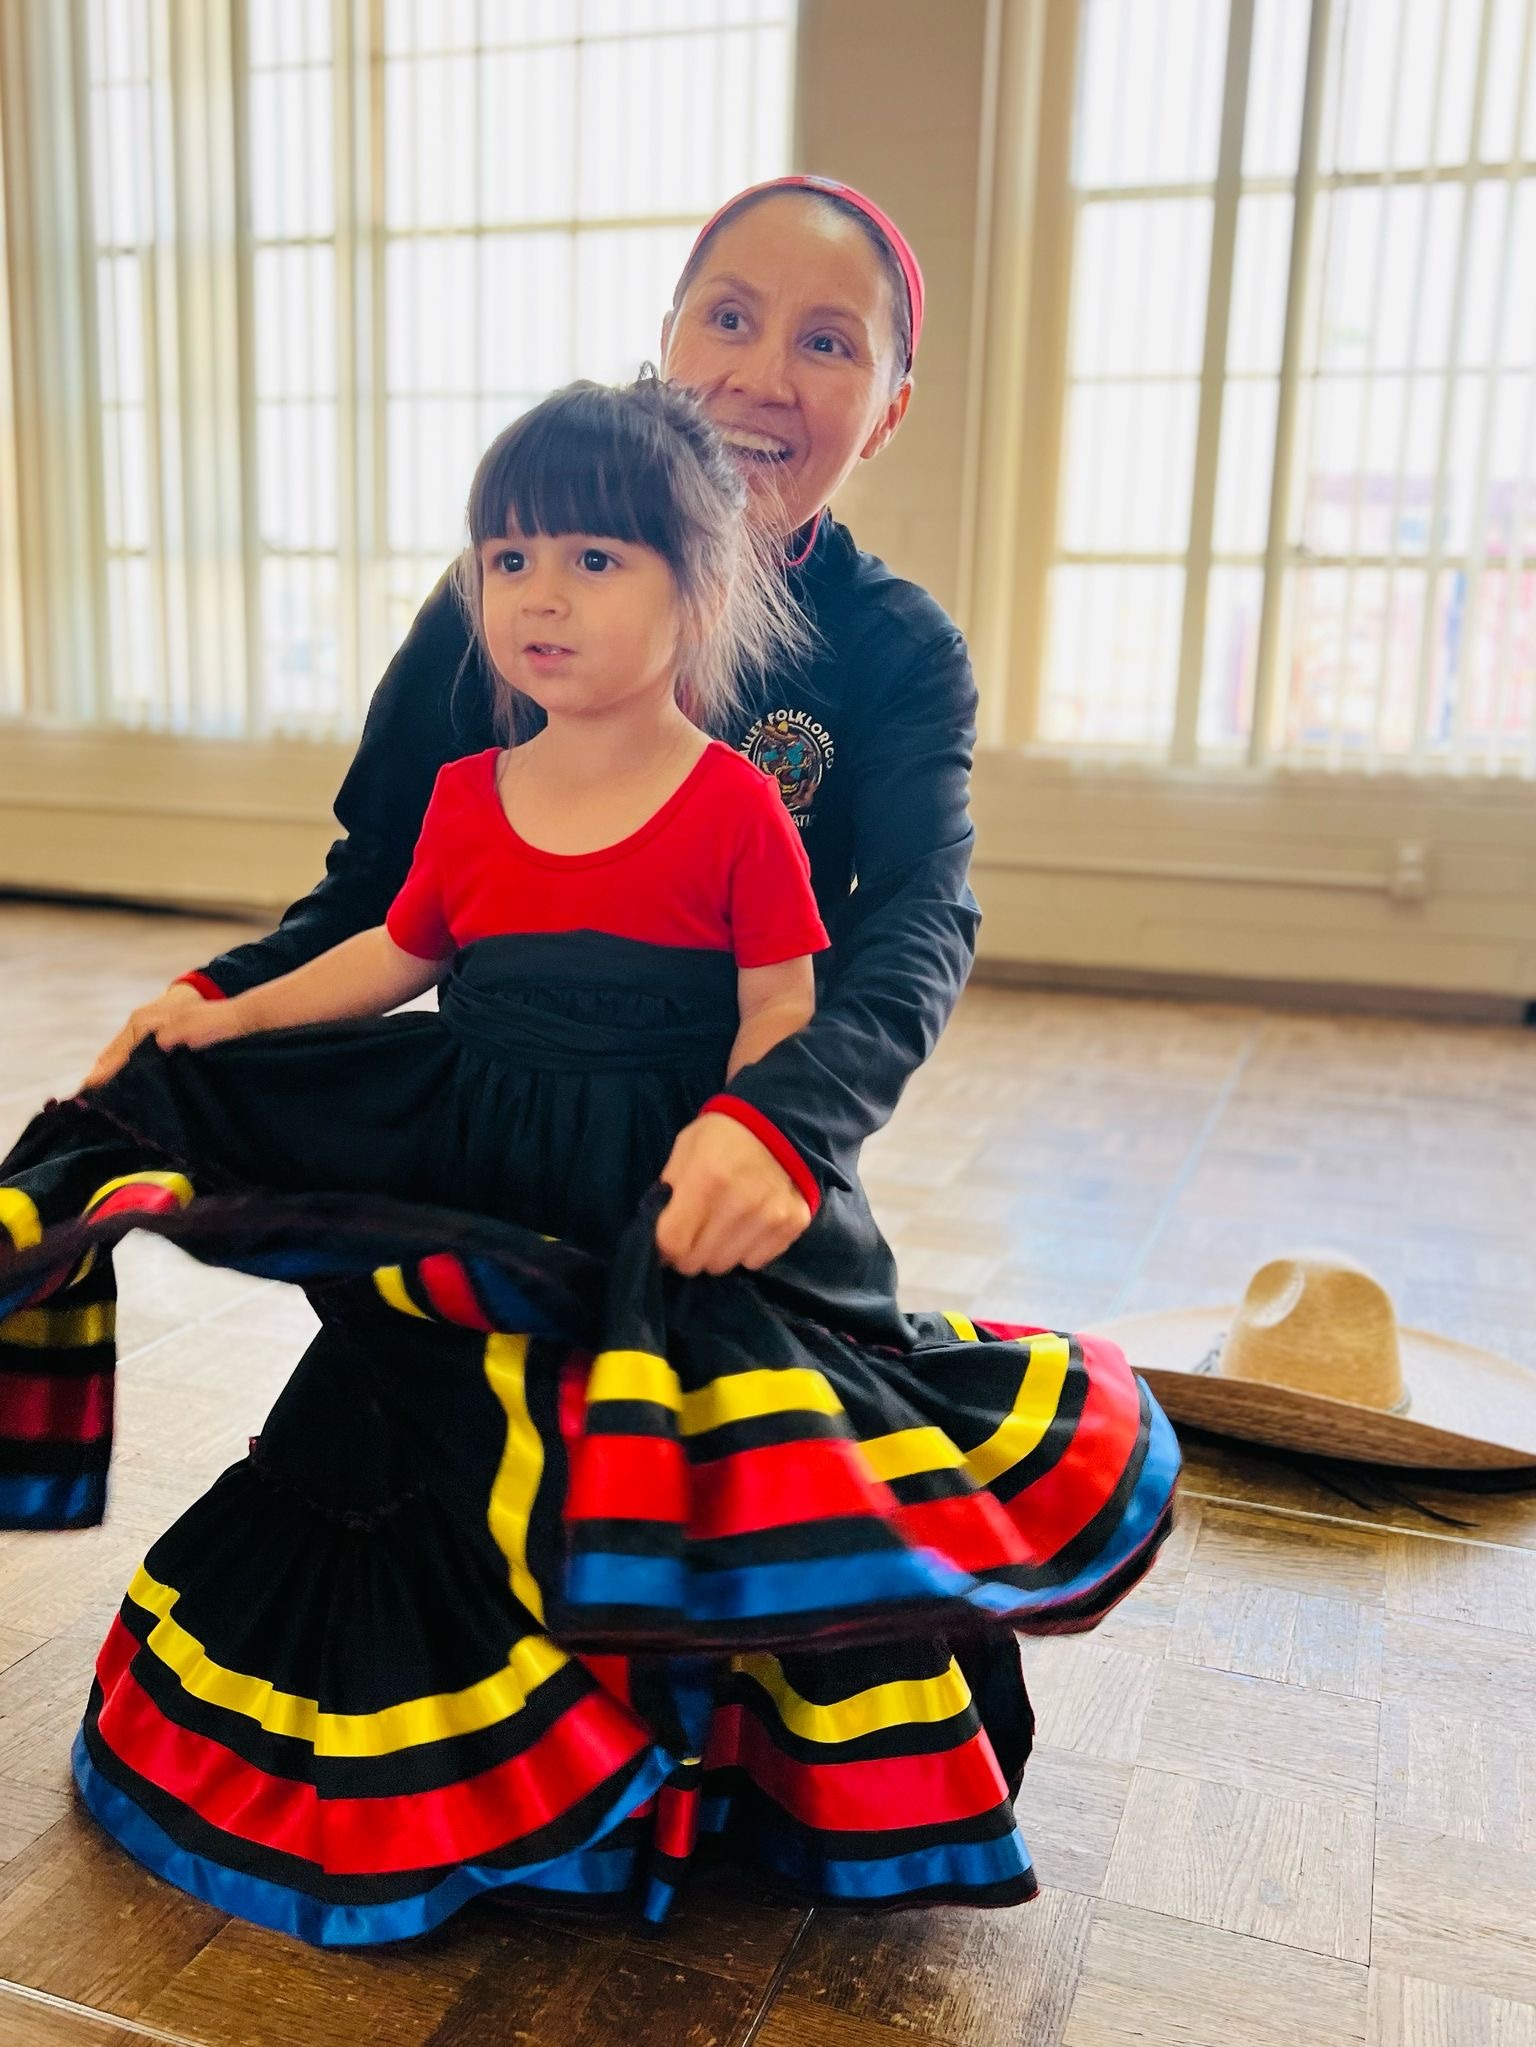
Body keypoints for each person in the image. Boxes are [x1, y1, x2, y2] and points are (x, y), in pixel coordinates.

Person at [0, 191, 1180, 1947]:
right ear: (665, 330)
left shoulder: (893, 651)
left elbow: (915, 929)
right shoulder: (514, 596)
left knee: (755, 1481)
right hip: (495, 1146)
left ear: (893, 405)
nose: (763, 375)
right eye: (728, 316)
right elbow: (382, 897)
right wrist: (207, 1009)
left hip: (712, 1161)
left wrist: (779, 1123)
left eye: (827, 340)